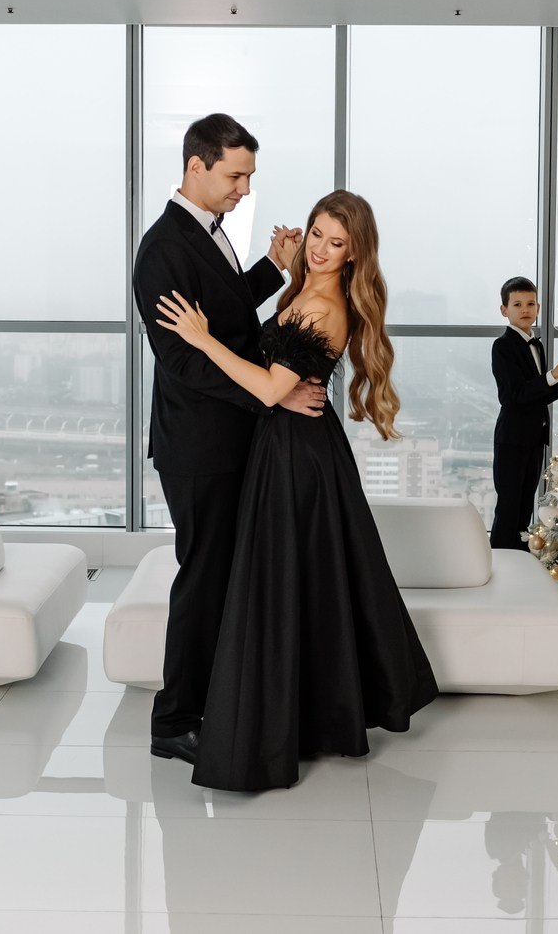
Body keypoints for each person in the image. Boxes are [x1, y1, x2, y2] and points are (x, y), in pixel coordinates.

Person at [153, 189, 438, 792]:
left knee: (286, 578)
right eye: (317, 236)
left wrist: (202, 339)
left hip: (296, 454)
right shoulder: (302, 291)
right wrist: (275, 270)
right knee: (301, 579)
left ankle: (286, 718)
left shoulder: (323, 307)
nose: (322, 250)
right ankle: (306, 711)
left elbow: (265, 387)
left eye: (338, 244)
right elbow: (273, 377)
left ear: (355, 253)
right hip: (287, 444)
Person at [132, 112, 324, 768]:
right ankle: (174, 721)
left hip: (230, 436)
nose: (245, 189)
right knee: (204, 578)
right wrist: (272, 393)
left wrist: (272, 267)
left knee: (224, 575)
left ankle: (219, 698)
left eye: (249, 177)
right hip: (198, 445)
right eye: (236, 176)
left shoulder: (208, 231)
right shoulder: (162, 249)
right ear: (197, 166)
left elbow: (225, 315)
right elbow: (182, 360)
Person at [490, 277, 558, 551]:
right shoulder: (502, 346)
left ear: (538, 307)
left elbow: (539, 393)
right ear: (504, 310)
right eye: (517, 304)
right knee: (508, 508)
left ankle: (519, 559)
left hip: (534, 438)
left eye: (530, 304)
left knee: (525, 506)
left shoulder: (536, 345)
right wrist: (554, 373)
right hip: (511, 439)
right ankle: (499, 561)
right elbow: (514, 396)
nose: (525, 309)